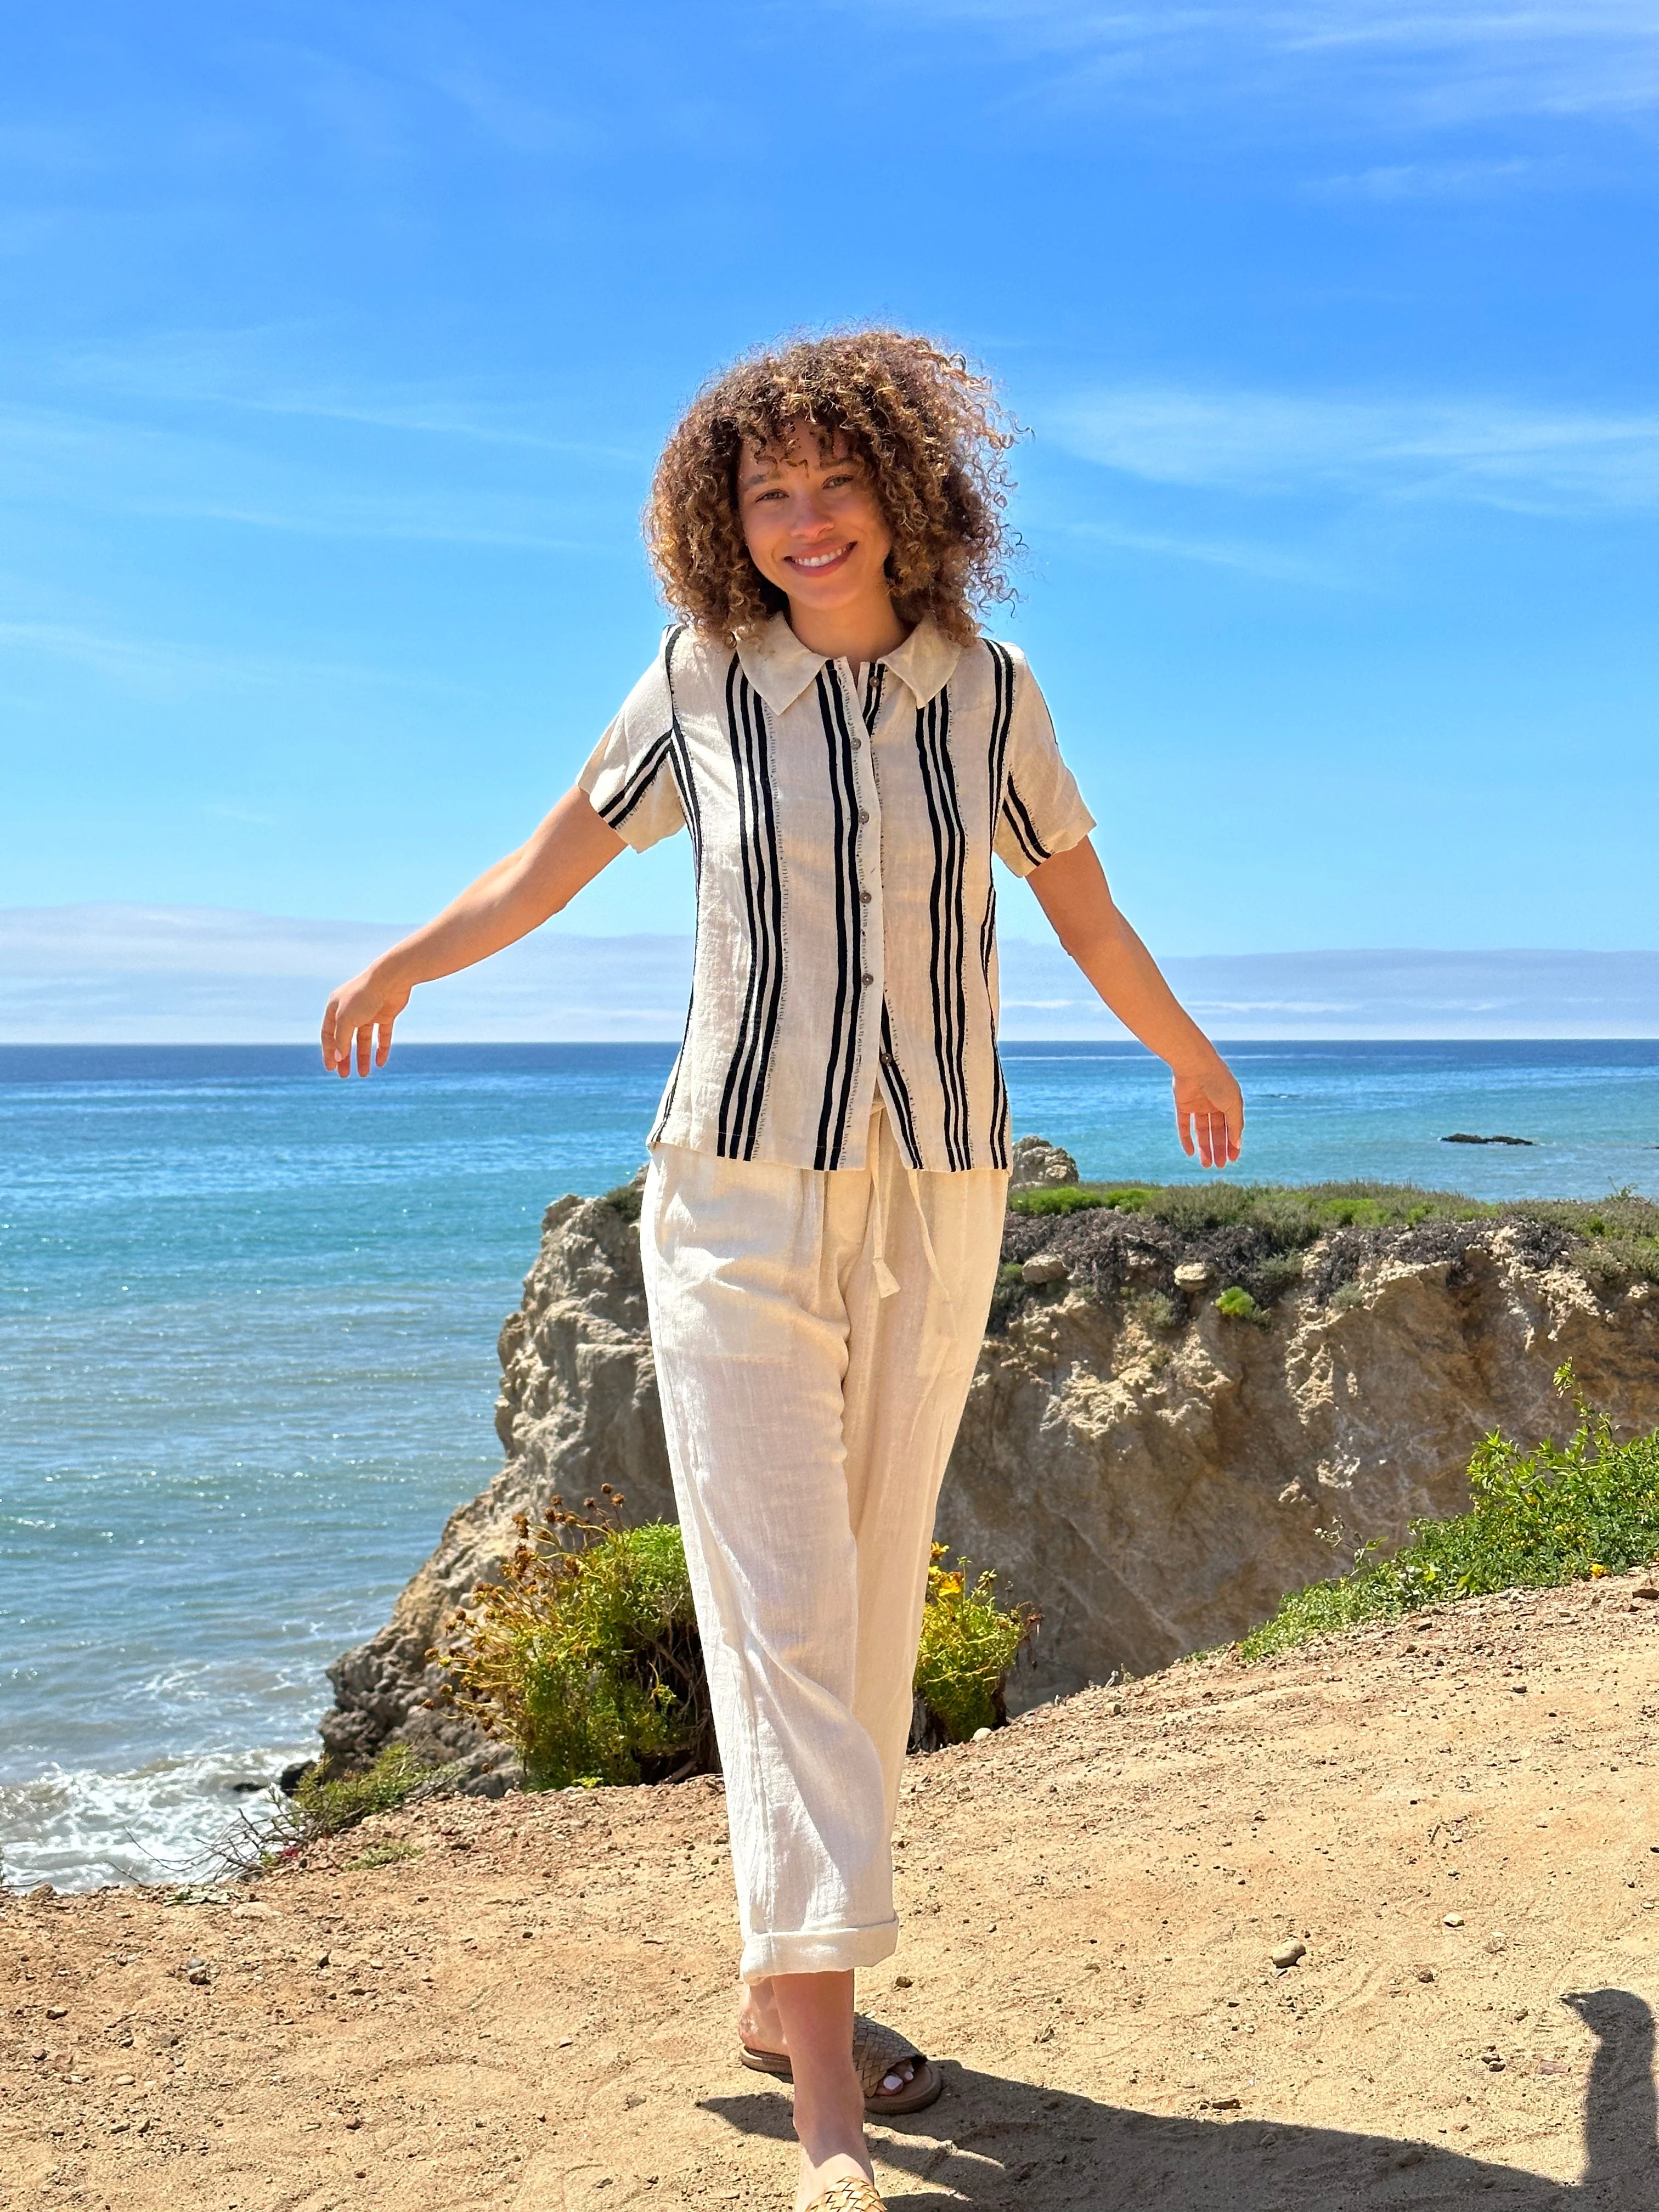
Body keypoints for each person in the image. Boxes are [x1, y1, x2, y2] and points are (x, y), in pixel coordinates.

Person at [321, 329, 1243, 2212]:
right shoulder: (697, 683)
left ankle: (775, 1996)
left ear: (910, 495)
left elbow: (1076, 897)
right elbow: (546, 866)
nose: (804, 521)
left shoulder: (993, 696)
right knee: (779, 1605)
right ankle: (827, 2092)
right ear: (719, 522)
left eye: (833, 484)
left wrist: (1182, 1044)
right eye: (768, 493)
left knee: (875, 1594)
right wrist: (410, 960)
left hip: (939, 1182)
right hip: (731, 1191)